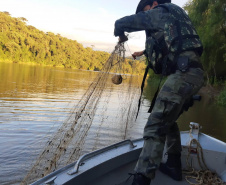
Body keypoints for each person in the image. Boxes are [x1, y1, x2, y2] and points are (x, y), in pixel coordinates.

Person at [114, 0, 204, 185]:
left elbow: (122, 22)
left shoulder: (160, 11)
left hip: (184, 74)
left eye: (145, 10)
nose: (146, 14)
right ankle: (173, 164)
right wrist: (141, 52)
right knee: (167, 119)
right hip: (193, 73)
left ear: (153, 3)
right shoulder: (176, 14)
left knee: (155, 125)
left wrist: (120, 31)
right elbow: (171, 42)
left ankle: (141, 179)